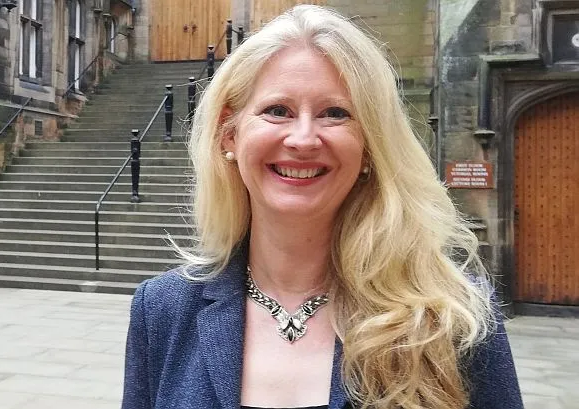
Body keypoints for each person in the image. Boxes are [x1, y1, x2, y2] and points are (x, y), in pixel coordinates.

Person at [121, 5, 523, 409]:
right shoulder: (163, 310)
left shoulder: (452, 315)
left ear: (369, 146)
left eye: (335, 113)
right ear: (230, 133)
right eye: (277, 110)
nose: (303, 139)